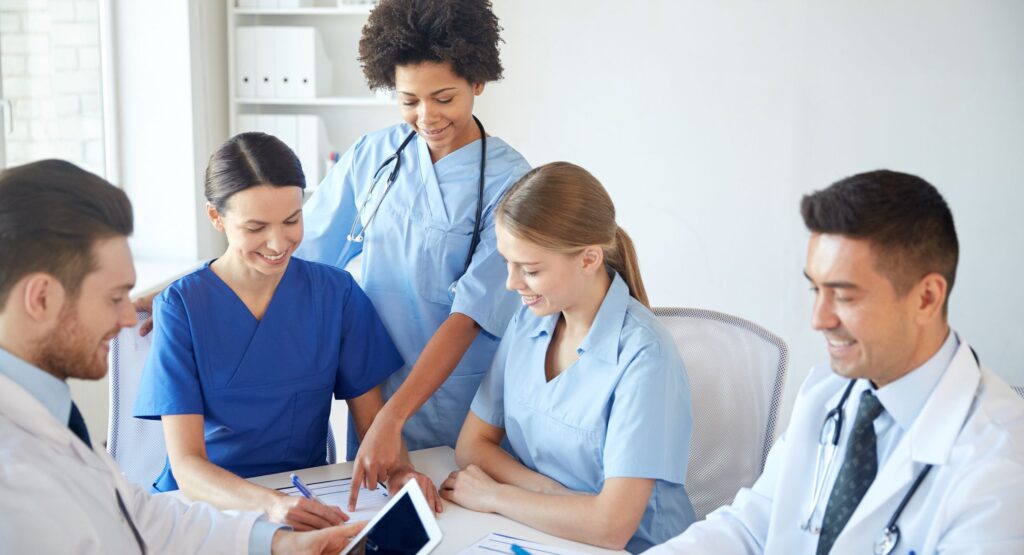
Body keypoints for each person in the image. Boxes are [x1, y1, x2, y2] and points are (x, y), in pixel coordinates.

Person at [0, 159, 366, 554]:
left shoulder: (47, 415)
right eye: (113, 297)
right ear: (41, 298)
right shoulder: (14, 476)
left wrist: (280, 546)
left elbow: (140, 517)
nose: (130, 317)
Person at [648, 170, 1024, 554]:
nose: (819, 319)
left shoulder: (1001, 467)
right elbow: (750, 528)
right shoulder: (827, 391)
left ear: (926, 298)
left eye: (844, 297)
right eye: (816, 289)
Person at [133, 133, 440, 529]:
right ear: (216, 217)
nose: (278, 243)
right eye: (256, 227)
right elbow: (187, 466)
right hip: (207, 507)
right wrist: (271, 505)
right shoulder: (182, 307)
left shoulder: (336, 294)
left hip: (307, 498)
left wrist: (400, 473)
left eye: (292, 220)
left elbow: (373, 422)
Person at [295, 0, 531, 508]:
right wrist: (187, 288)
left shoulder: (511, 181)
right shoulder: (373, 155)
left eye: (443, 97)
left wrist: (394, 417)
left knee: (463, 525)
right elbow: (303, 252)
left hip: (459, 406)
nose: (426, 116)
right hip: (372, 398)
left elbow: (471, 314)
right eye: (408, 100)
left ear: (478, 82)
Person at [439, 162, 697, 553]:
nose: (512, 283)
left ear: (589, 259)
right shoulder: (528, 321)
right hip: (542, 534)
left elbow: (610, 527)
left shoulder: (645, 356)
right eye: (508, 264)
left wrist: (495, 496)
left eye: (530, 269)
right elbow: (472, 445)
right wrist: (551, 493)